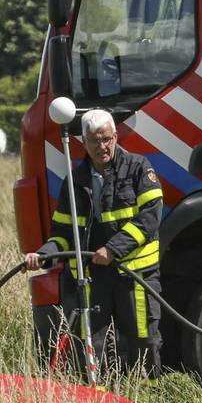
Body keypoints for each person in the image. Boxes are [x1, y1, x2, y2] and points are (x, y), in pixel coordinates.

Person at [24, 108, 163, 380]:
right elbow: (64, 233)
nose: (103, 146)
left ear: (116, 136)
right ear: (83, 143)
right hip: (92, 277)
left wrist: (113, 250)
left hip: (133, 276)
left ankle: (148, 402)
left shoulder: (139, 168)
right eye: (95, 141)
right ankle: (98, 402)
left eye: (107, 139)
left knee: (143, 340)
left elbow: (150, 219)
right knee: (92, 346)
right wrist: (43, 255)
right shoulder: (75, 182)